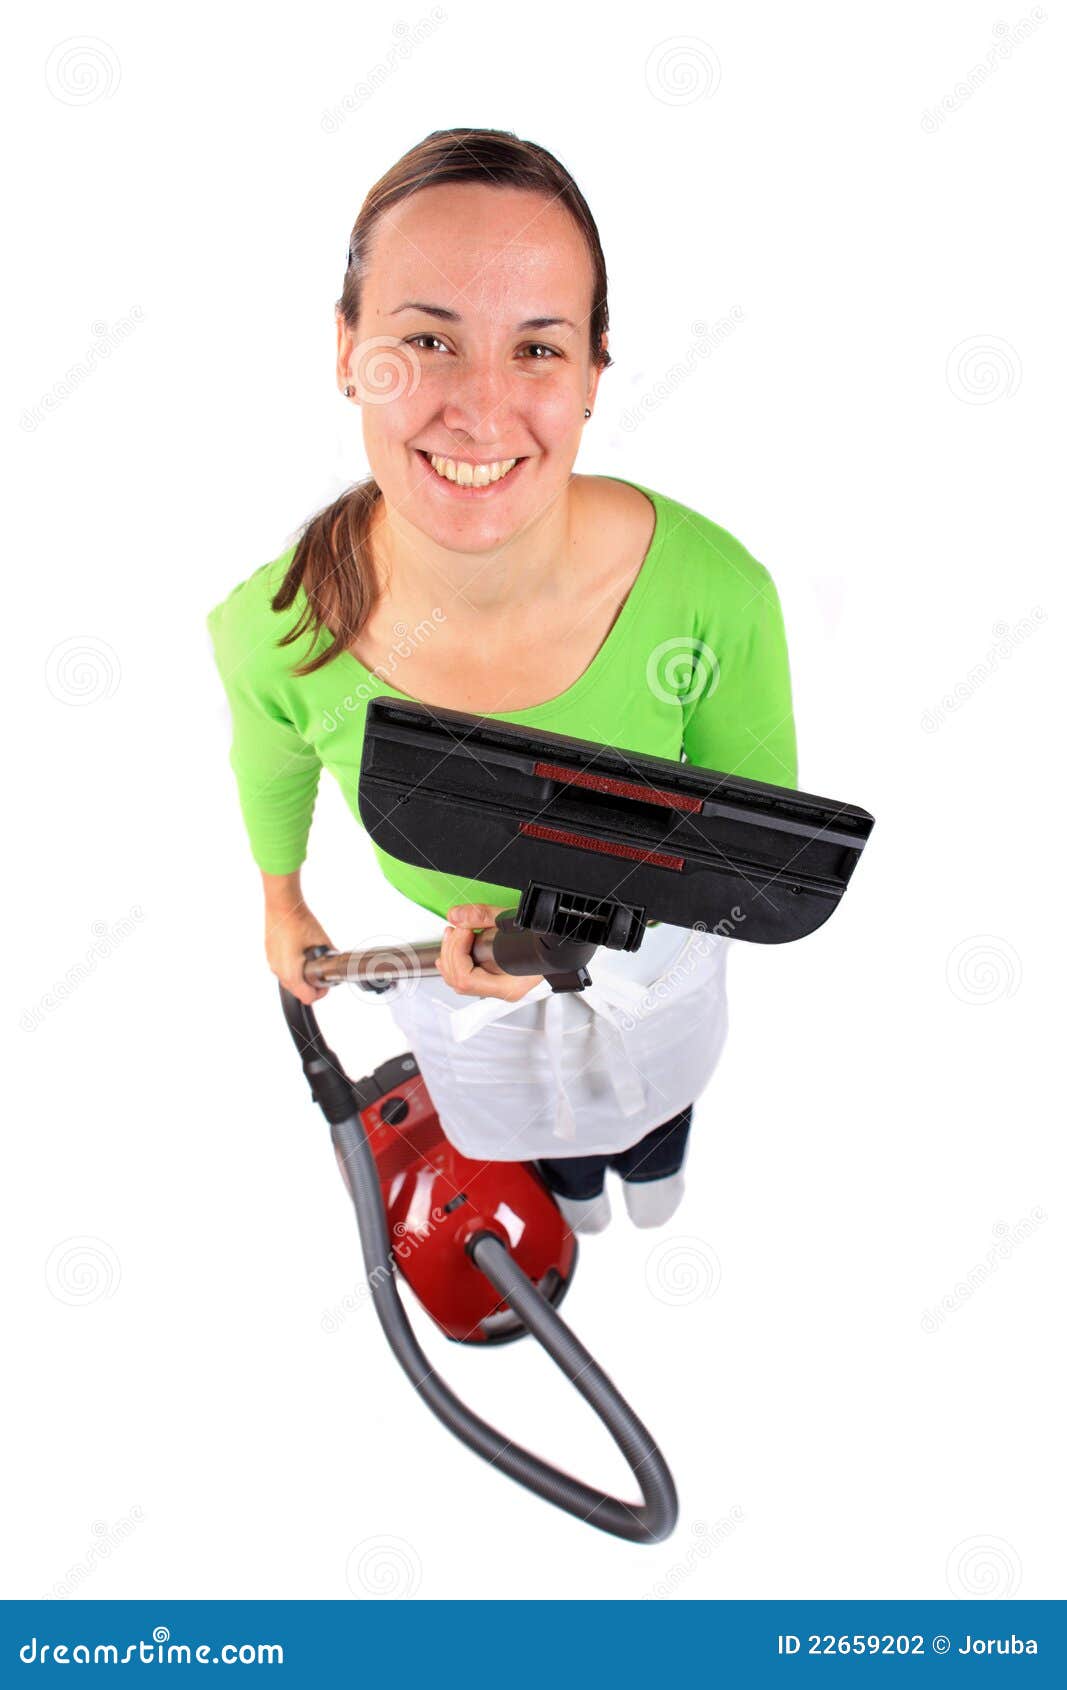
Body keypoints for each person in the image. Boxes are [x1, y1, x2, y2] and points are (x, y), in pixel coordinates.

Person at [207, 127, 798, 1235]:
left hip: (649, 967)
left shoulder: (715, 595)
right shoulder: (273, 633)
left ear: (591, 374)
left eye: (534, 350)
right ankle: (570, 1190)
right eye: (427, 339)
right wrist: (281, 901)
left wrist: (576, 941)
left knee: (648, 1116)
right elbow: (272, 754)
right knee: (545, 1134)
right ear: (346, 352)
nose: (479, 412)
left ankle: (654, 1166)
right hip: (458, 985)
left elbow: (740, 849)